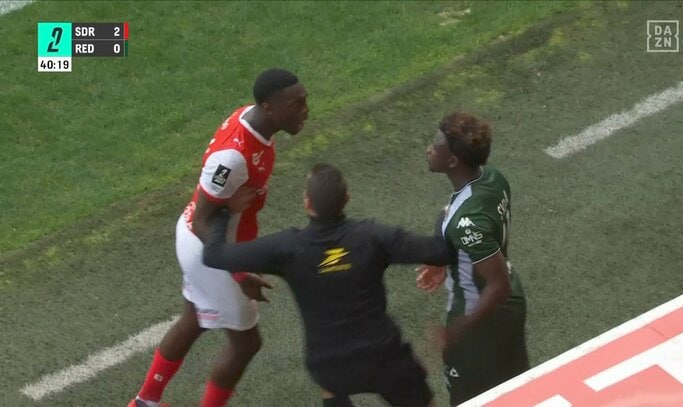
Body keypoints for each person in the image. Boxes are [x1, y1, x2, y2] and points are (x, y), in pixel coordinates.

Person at [202, 163, 456, 407]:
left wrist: (224, 211)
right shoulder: (373, 236)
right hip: (384, 357)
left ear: (307, 203)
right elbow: (440, 251)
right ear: (347, 199)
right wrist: (444, 214)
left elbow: (213, 255)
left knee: (331, 385)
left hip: (329, 366)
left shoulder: (288, 248)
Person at [129, 69, 309, 407]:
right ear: (269, 108)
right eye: (297, 104)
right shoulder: (232, 158)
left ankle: (144, 402)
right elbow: (202, 220)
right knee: (246, 344)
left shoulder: (253, 121)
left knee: (194, 319)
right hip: (210, 250)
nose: (305, 110)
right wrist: (239, 273)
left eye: (305, 100)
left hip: (209, 242)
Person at [416, 112, 530, 406]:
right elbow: (452, 214)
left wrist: (456, 331)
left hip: (479, 317)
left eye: (435, 145)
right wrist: (444, 258)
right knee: (517, 392)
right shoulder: (493, 178)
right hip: (511, 306)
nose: (428, 149)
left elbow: (498, 285)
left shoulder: (466, 223)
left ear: (453, 160)